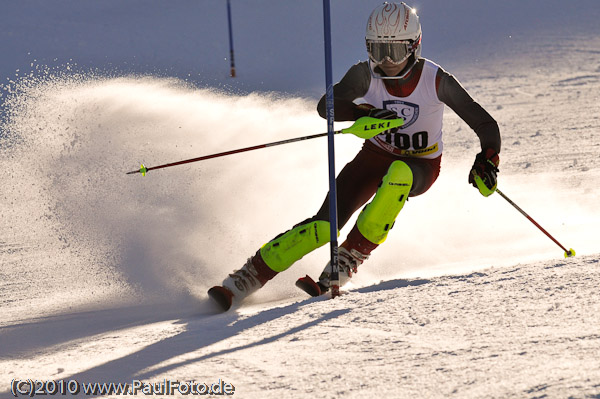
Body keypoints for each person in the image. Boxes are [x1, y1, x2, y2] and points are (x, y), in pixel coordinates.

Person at [208, 2, 501, 311]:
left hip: (420, 164)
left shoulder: (435, 79)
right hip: (373, 157)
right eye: (377, 49)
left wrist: (488, 158)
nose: (387, 61)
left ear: (414, 47)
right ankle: (247, 277)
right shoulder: (365, 74)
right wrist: (363, 111)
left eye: (396, 52)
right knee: (323, 227)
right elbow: (327, 106)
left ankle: (350, 255)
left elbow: (485, 123)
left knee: (399, 174)